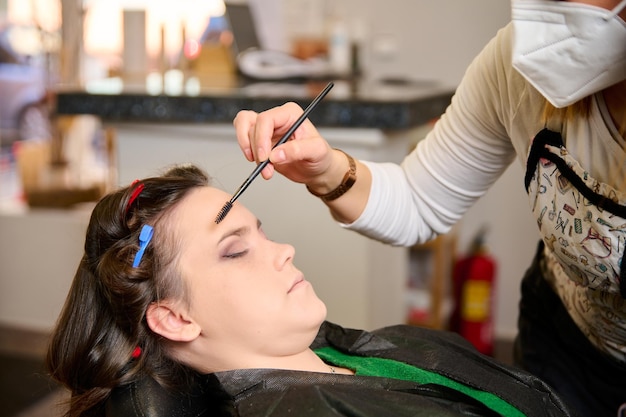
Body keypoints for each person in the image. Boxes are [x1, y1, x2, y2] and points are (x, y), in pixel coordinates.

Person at [232, 1, 626, 416]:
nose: (286, 250)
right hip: (566, 346)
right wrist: (326, 168)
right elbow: (418, 200)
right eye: (232, 249)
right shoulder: (522, 62)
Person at [46, 164, 574, 417]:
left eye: (262, 232)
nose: (284, 250)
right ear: (176, 319)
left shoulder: (340, 353)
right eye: (235, 249)